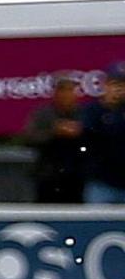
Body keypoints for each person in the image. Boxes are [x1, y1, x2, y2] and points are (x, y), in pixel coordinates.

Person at [20, 73, 92, 204]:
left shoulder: (84, 113)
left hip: (78, 175)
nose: (67, 95)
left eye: (71, 90)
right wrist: (54, 132)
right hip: (48, 174)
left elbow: (96, 139)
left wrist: (80, 132)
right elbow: (29, 138)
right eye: (63, 90)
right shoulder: (43, 113)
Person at [84, 66, 125, 206]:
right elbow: (86, 137)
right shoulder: (93, 110)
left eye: (123, 85)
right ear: (106, 85)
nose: (119, 89)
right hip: (102, 183)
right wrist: (108, 108)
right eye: (115, 84)